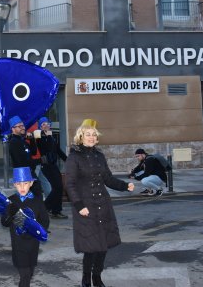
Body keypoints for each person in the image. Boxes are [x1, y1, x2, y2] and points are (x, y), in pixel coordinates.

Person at [65, 123, 135, 287]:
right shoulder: (74, 157)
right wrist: (79, 205)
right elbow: (70, 184)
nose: (91, 137)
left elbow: (108, 178)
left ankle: (97, 277)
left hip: (103, 204)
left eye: (94, 135)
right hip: (85, 206)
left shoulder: (99, 156)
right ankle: (86, 279)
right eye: (88, 134)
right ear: (81, 137)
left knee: (103, 245)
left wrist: (124, 186)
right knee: (91, 246)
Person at [1, 166, 49, 287]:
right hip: (18, 244)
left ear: (31, 183)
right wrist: (9, 215)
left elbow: (45, 221)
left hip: (33, 244)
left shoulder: (38, 201)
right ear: (14, 185)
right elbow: (4, 222)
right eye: (18, 184)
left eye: (25, 183)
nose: (22, 187)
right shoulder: (11, 201)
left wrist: (38, 231)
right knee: (25, 275)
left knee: (30, 272)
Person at [34, 117, 68, 219]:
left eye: (47, 123)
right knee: (57, 188)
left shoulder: (51, 137)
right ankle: (44, 208)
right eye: (43, 124)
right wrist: (47, 135)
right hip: (47, 166)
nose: (45, 125)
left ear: (50, 125)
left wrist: (68, 160)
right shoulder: (40, 137)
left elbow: (58, 150)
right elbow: (46, 147)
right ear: (40, 127)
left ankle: (56, 210)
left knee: (59, 188)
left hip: (53, 165)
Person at [8, 116, 42, 197]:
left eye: (23, 126)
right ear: (13, 129)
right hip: (23, 175)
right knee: (34, 196)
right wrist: (40, 161)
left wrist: (32, 139)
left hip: (29, 172)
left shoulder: (21, 140)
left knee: (35, 196)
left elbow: (33, 152)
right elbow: (22, 161)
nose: (23, 128)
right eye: (19, 126)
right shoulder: (14, 142)